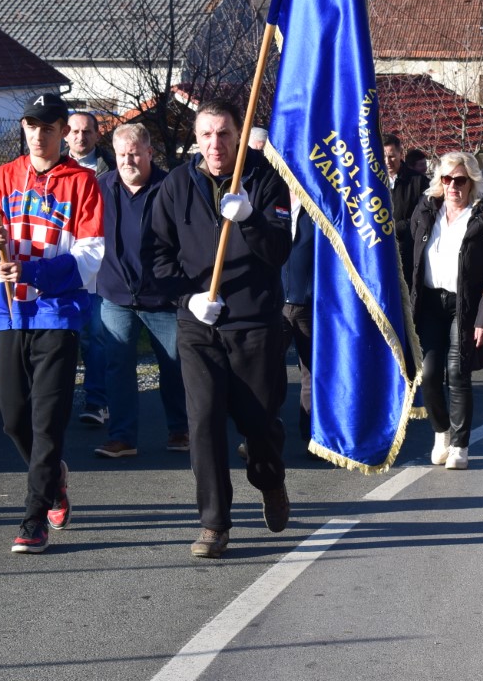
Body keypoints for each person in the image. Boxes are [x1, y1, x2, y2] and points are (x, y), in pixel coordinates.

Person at [149, 99, 292, 559]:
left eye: (224, 134)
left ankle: (270, 479)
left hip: (254, 324)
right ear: (196, 138)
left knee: (258, 421)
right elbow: (156, 255)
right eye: (206, 134)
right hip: (199, 324)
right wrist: (186, 297)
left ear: (239, 135)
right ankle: (214, 524)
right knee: (204, 422)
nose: (215, 143)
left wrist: (250, 219)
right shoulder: (175, 185)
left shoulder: (266, 180)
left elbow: (279, 251)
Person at [0, 93, 104, 553]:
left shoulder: (84, 183)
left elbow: (90, 259)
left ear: (63, 132)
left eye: (49, 126)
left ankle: (34, 519)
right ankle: (54, 477)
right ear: (25, 129)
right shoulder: (3, 177)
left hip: (59, 314)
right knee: (13, 420)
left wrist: (31, 271)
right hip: (10, 313)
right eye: (32, 125)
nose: (39, 133)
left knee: (47, 421)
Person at [93, 123, 188, 459]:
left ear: (150, 152)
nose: (128, 160)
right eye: (121, 154)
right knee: (117, 366)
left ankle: (181, 430)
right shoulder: (101, 187)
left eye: (134, 153)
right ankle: (122, 437)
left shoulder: (171, 187)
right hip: (116, 295)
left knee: (175, 365)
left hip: (163, 297)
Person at [409, 152, 483, 470]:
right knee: (430, 375)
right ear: (439, 182)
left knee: (457, 373)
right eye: (447, 179)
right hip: (430, 305)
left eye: (460, 180)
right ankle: (442, 433)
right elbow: (410, 254)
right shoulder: (425, 211)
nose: (453, 186)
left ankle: (461, 446)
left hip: (465, 306)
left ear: (471, 183)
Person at [66, 112, 111, 428]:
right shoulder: (50, 170)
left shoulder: (113, 171)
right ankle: (55, 401)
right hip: (61, 268)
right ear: (65, 135)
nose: (80, 137)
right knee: (61, 338)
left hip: (99, 271)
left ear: (97, 135)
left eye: (86, 131)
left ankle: (96, 402)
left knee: (95, 338)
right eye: (74, 131)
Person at [281, 192, 317, 457]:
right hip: (273, 303)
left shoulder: (318, 204)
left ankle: (312, 437)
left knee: (312, 374)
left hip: (310, 305)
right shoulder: (271, 200)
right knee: (265, 372)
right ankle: (261, 435)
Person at [385, 133, 426, 284]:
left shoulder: (418, 181)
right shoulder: (372, 182)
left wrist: (396, 228)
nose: (388, 161)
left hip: (408, 251)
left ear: (400, 153)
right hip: (380, 250)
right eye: (384, 156)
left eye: (392, 156)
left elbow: (423, 215)